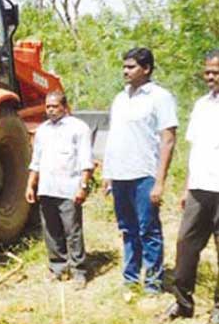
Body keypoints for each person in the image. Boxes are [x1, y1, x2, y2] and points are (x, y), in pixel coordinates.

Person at [101, 47, 178, 295]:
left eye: (131, 67)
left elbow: (168, 139)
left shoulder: (160, 97)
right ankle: (131, 278)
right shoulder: (120, 98)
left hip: (145, 174)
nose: (125, 71)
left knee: (148, 230)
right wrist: (107, 173)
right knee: (127, 229)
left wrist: (159, 181)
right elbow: (113, 138)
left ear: (146, 69)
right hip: (120, 174)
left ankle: (154, 282)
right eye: (124, 66)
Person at [163, 49, 219, 324]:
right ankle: (183, 303)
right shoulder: (201, 105)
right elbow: (195, 149)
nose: (210, 77)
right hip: (200, 187)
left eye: (215, 72)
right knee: (186, 244)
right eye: (207, 71)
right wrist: (186, 188)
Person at [26, 90, 94, 290]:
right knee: (51, 230)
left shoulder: (78, 128)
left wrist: (83, 186)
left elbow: (86, 161)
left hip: (69, 189)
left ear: (65, 106)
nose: (50, 110)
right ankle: (58, 267)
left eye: (54, 106)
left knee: (72, 230)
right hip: (47, 188)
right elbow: (36, 161)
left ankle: (79, 271)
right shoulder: (43, 131)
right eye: (48, 106)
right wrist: (30, 185)